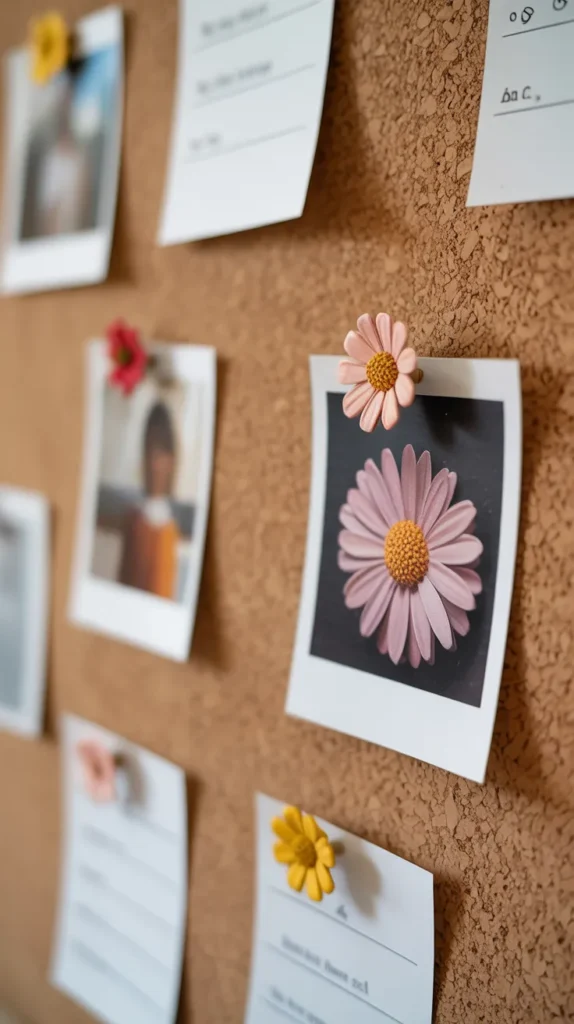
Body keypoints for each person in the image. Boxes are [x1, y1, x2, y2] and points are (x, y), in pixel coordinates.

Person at [118, 402, 180, 599]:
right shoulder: (133, 523)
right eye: (149, 450)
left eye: (160, 452)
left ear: (171, 460)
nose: (154, 462)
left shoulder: (170, 532)